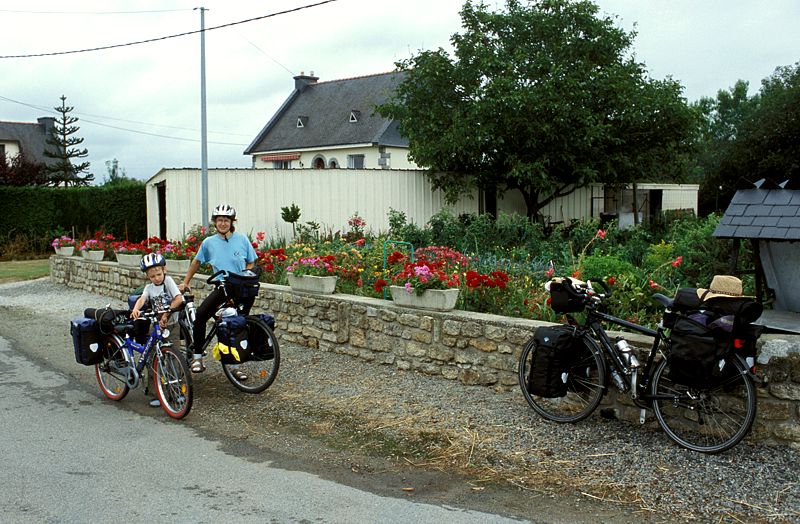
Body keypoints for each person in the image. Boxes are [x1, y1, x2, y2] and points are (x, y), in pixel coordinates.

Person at [179, 204, 257, 379]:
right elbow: (196, 262)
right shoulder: (209, 243)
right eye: (220, 220)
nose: (223, 223)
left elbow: (251, 262)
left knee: (236, 326)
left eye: (226, 220)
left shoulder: (242, 239)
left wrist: (245, 273)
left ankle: (236, 366)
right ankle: (197, 357)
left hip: (242, 289)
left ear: (231, 222)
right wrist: (185, 282)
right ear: (215, 222)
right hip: (222, 288)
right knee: (200, 315)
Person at [131, 252, 185, 407]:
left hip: (171, 326)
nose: (156, 278)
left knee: (174, 358)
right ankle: (156, 393)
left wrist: (167, 314)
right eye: (152, 276)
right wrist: (136, 308)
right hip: (155, 327)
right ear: (148, 276)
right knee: (153, 359)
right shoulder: (149, 288)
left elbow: (178, 298)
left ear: (164, 270)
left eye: (159, 274)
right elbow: (143, 298)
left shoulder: (168, 282)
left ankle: (177, 391)